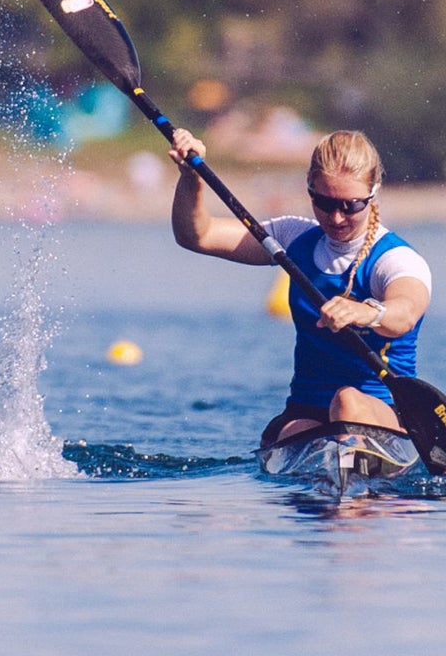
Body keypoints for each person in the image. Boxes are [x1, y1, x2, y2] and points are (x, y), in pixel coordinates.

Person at [168, 126, 431, 453]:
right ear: (310, 188)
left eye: (350, 205)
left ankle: (350, 470)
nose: (335, 218)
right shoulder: (292, 237)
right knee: (292, 432)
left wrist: (365, 311)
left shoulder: (395, 260)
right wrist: (191, 176)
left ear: (372, 194)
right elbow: (197, 235)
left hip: (381, 410)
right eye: (323, 202)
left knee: (347, 402)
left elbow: (404, 313)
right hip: (307, 410)